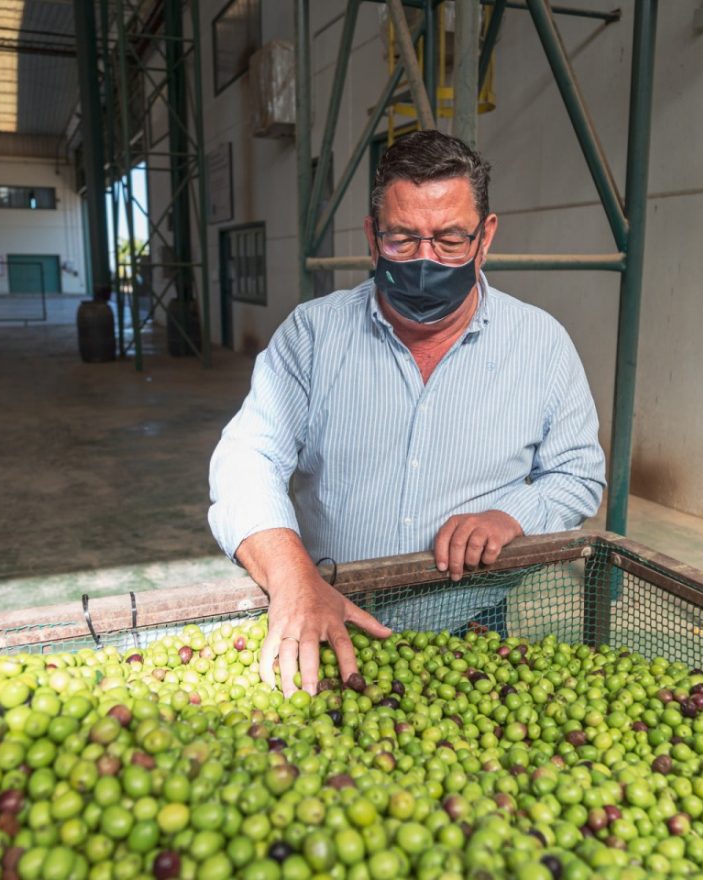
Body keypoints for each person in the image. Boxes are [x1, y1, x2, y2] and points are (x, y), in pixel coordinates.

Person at [209, 130, 605, 697]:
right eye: (402, 239)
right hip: (327, 613)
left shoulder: (541, 345)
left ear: (485, 236)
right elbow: (246, 460)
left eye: (449, 240)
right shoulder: (314, 335)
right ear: (372, 236)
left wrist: (513, 512)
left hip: (470, 627)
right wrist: (293, 577)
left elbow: (579, 475)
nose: (425, 261)